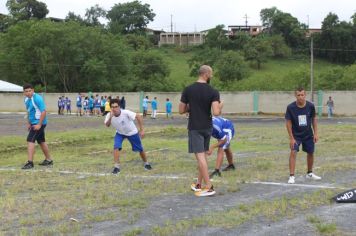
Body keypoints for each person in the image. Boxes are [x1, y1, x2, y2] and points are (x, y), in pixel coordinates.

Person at [179, 65, 221, 197]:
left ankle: (209, 186)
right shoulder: (213, 91)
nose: (212, 76)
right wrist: (220, 105)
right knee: (202, 156)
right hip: (208, 127)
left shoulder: (188, 89)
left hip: (195, 127)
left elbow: (181, 110)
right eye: (211, 74)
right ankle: (198, 183)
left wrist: (191, 108)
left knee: (200, 157)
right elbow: (216, 112)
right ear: (206, 74)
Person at [104, 99, 152, 174]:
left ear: (119, 107)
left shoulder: (125, 112)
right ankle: (117, 167)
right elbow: (107, 125)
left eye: (116, 107)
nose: (114, 109)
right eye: (112, 107)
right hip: (120, 133)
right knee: (116, 147)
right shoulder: (109, 115)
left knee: (140, 149)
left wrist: (142, 130)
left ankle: (146, 163)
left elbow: (138, 116)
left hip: (132, 132)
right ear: (110, 108)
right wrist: (110, 117)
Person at [285, 87, 321, 184]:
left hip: (308, 134)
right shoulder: (290, 107)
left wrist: (316, 133)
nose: (300, 97)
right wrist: (291, 138)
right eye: (298, 95)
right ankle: (291, 176)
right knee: (293, 151)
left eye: (302, 95)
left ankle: (309, 173)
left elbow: (314, 119)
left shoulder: (310, 106)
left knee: (310, 152)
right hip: (296, 135)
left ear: (305, 95)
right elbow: (288, 123)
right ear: (295, 95)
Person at [22, 84, 53, 169]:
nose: (28, 93)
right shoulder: (26, 100)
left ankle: (30, 163)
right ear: (24, 92)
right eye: (26, 91)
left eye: (30, 91)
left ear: (33, 90)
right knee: (41, 141)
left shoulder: (37, 98)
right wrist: (29, 123)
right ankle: (49, 160)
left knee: (30, 140)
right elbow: (29, 111)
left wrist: (39, 124)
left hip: (39, 123)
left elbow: (43, 112)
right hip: (34, 123)